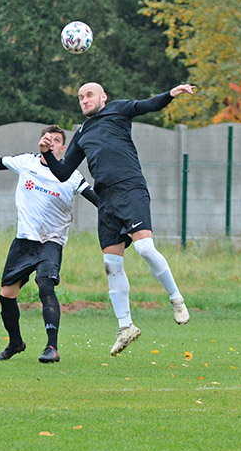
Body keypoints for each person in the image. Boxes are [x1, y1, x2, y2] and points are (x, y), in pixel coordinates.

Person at [39, 82, 195, 356]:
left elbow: (148, 105)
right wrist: (46, 155)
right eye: (80, 97)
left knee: (145, 248)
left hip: (130, 188)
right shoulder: (83, 132)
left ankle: (176, 299)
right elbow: (63, 173)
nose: (84, 100)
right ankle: (126, 327)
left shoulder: (117, 110)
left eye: (89, 95)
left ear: (103, 97)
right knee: (111, 264)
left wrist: (170, 94)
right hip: (106, 200)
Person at [0, 125, 98, 363]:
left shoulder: (71, 175)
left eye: (56, 140)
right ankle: (15, 343)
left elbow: (96, 200)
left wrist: (118, 215)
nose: (50, 142)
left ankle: (51, 347)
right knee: (6, 296)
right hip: (24, 241)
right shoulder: (26, 162)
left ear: (63, 149)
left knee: (45, 286)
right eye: (47, 138)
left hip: (51, 242)